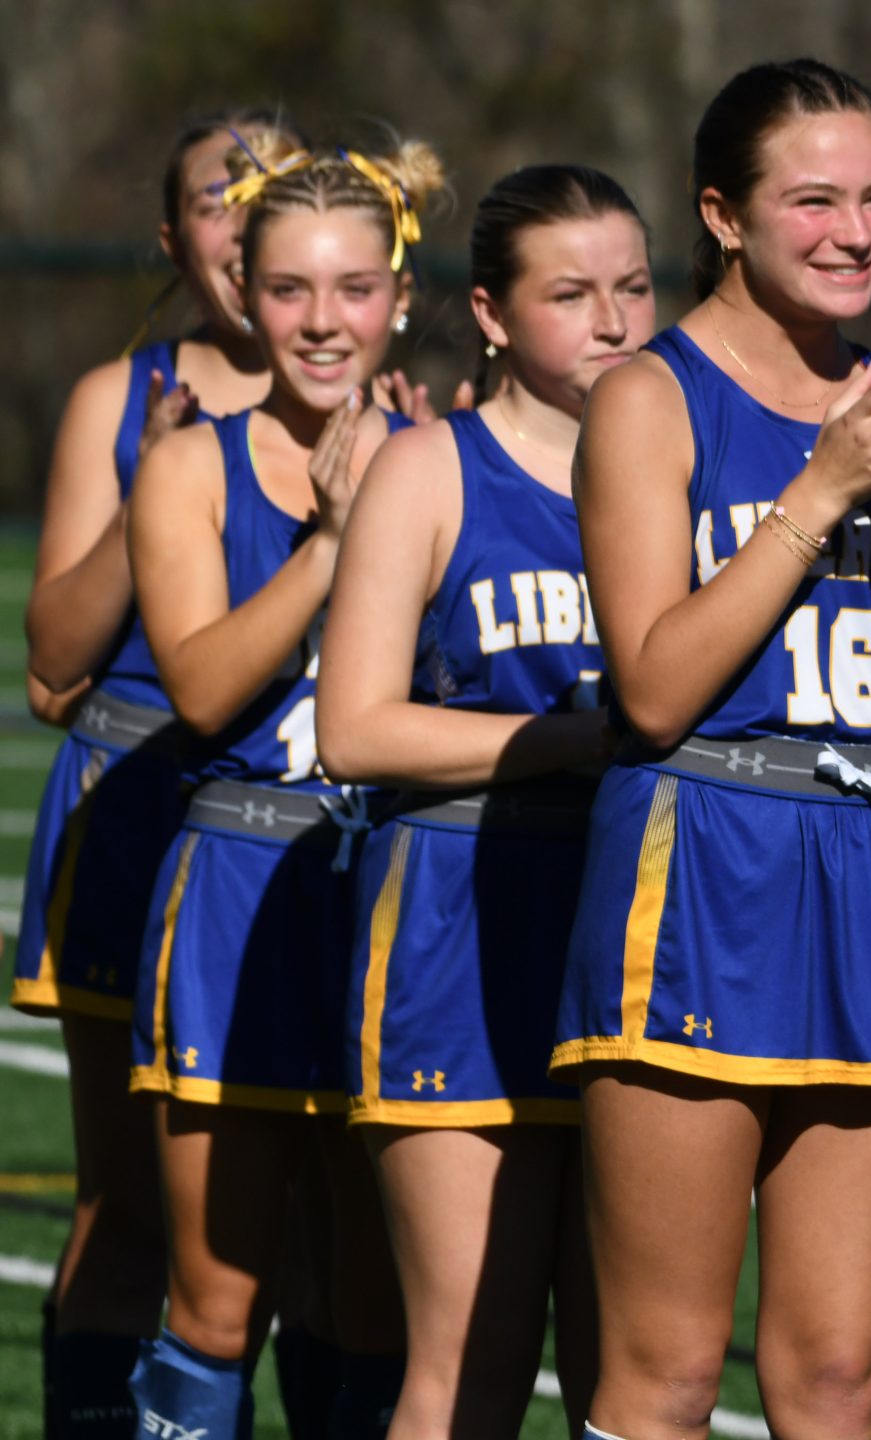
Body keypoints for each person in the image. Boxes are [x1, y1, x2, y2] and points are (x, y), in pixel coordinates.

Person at [556, 57, 871, 1438]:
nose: (857, 231)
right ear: (724, 216)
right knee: (670, 1371)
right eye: (813, 200)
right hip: (700, 863)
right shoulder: (647, 398)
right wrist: (826, 489)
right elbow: (656, 691)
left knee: (832, 1372)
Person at [314, 163, 654, 1438]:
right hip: (463, 917)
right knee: (472, 1367)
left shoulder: (681, 458)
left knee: (638, 1375)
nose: (614, 320)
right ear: (494, 316)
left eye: (632, 286)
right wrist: (578, 737)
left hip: (638, 921)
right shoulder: (431, 471)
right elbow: (355, 727)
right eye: (571, 293)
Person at [122, 133, 443, 1440]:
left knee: (373, 1310)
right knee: (213, 1306)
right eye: (293, 290)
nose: (325, 322)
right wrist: (332, 542)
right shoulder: (193, 459)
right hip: (238, 890)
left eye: (355, 289)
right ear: (245, 297)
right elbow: (199, 691)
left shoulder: (459, 450)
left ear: (402, 299)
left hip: (396, 898)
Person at [12, 110, 294, 1439]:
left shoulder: (389, 399)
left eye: (275, 192)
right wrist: (159, 492)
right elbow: (51, 669)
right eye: (216, 200)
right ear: (172, 239)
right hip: (139, 818)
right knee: (130, 1206)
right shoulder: (120, 401)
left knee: (314, 1227)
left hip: (309, 828)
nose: (245, 223)